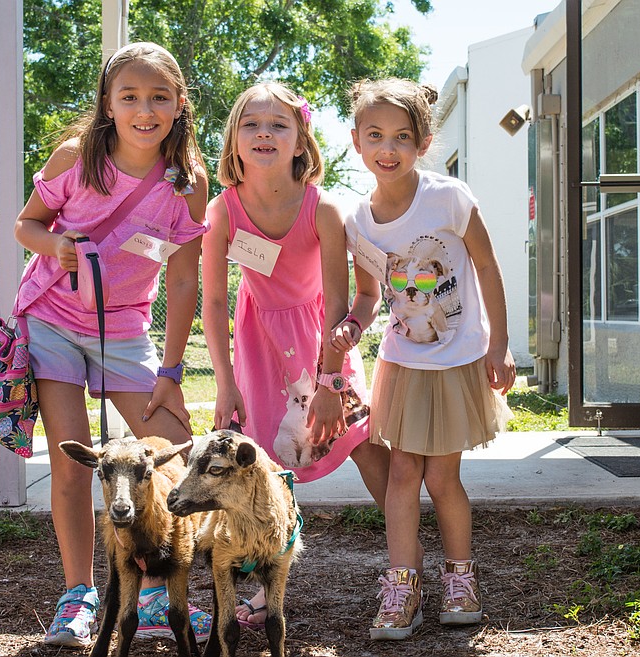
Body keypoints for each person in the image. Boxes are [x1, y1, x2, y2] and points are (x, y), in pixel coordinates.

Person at [13, 42, 211, 647]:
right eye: (129, 97)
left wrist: (172, 368)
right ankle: (78, 597)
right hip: (52, 317)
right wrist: (56, 248)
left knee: (177, 454)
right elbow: (27, 226)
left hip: (125, 328)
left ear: (180, 104)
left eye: (159, 97)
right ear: (108, 103)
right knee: (74, 465)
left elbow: (183, 278)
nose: (144, 110)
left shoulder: (187, 182)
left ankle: (154, 593)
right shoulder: (77, 156)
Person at [201, 82, 392, 627]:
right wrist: (224, 382)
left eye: (279, 124)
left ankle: (407, 564)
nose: (265, 134)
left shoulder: (323, 208)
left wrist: (331, 386)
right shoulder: (223, 211)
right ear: (234, 140)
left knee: (362, 445)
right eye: (251, 124)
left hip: (321, 343)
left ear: (301, 140)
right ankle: (266, 585)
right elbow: (213, 301)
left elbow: (337, 302)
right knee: (261, 470)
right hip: (259, 349)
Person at [333, 77, 516, 640]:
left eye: (402, 137)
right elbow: (367, 295)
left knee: (442, 477)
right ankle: (402, 587)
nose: (388, 149)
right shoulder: (357, 221)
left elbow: (487, 267)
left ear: (422, 142)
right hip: (403, 365)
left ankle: (461, 581)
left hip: (458, 360)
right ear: (358, 143)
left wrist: (500, 343)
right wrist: (350, 326)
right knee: (403, 475)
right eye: (375, 136)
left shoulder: (448, 198)